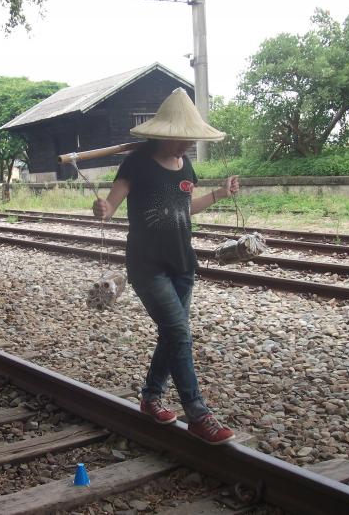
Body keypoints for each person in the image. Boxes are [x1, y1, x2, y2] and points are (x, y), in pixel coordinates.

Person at [91, 88, 239, 444]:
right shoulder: (136, 164)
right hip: (147, 265)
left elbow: (184, 209)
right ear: (165, 133)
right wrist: (103, 210)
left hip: (183, 264)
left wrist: (220, 193)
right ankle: (198, 413)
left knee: (172, 334)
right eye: (181, 139)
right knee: (180, 333)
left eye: (190, 139)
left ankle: (150, 397)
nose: (186, 145)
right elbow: (111, 205)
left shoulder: (184, 164)